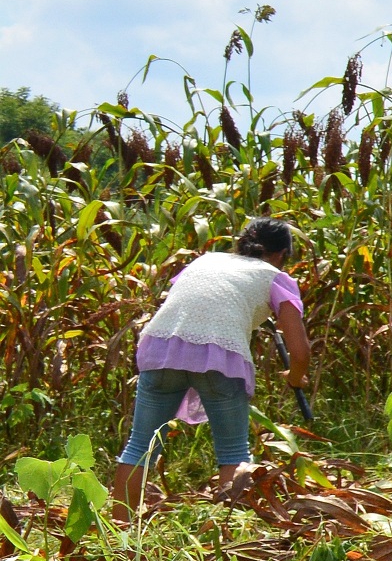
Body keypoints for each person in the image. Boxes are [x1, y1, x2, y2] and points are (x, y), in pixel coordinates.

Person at [112, 219, 309, 511]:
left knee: (140, 446)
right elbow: (300, 352)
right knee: (234, 453)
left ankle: (120, 525)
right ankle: (228, 529)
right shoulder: (275, 277)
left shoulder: (204, 261)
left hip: (163, 346)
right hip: (220, 357)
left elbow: (198, 300)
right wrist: (295, 377)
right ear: (281, 254)